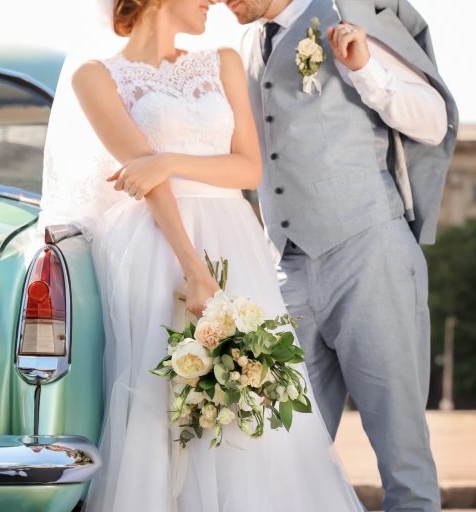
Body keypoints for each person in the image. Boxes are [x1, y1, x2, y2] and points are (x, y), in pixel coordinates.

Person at [39, 0, 368, 510]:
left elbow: (248, 170)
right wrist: (193, 269)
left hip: (234, 243)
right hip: (156, 246)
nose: (213, 0)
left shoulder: (222, 61)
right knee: (164, 404)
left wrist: (167, 160)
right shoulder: (95, 76)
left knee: (249, 395)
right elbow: (146, 185)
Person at [224, 0, 458, 510]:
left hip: (370, 256)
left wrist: (364, 67)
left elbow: (434, 122)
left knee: (403, 456)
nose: (222, 1)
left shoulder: (344, 11)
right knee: (282, 455)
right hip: (284, 269)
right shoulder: (243, 47)